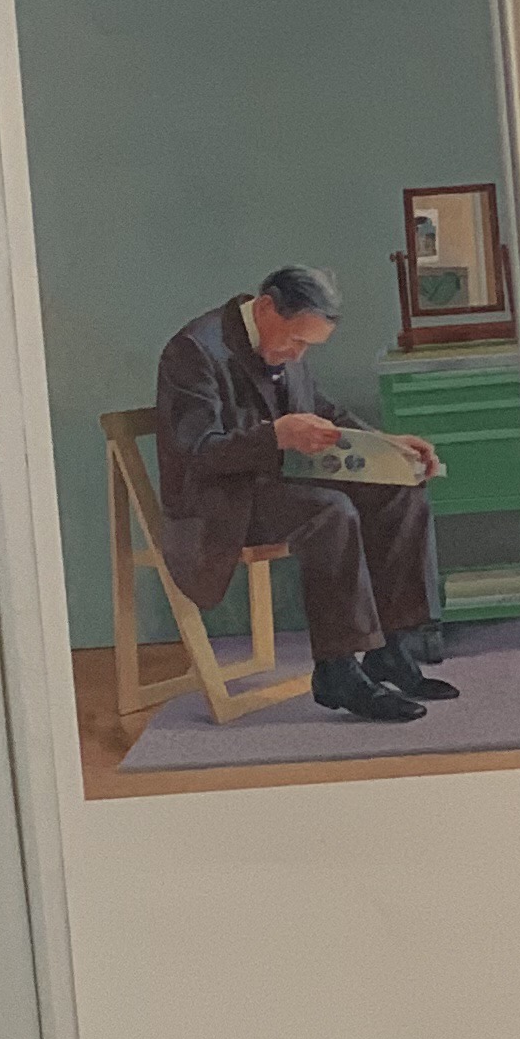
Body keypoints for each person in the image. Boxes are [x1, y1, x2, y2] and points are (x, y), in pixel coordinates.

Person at [150, 262, 452, 724]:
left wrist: (388, 447)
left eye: (307, 346)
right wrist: (275, 436)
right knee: (331, 512)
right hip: (217, 504)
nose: (298, 354)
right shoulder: (192, 350)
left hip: (277, 485)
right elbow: (196, 453)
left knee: (400, 491)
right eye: (296, 341)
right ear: (266, 308)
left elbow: (323, 413)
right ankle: (337, 670)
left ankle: (390, 649)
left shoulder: (281, 346)